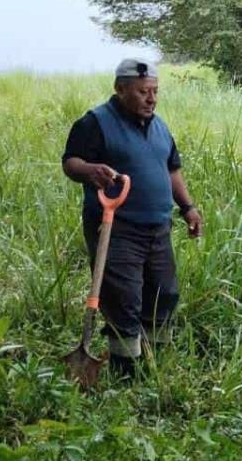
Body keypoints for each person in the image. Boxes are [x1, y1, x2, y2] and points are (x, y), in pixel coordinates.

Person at [61, 58, 203, 373]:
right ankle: (126, 371)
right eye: (142, 92)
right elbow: (70, 162)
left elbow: (172, 170)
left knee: (164, 293)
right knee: (123, 298)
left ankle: (157, 362)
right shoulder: (95, 123)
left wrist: (188, 207)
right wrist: (89, 170)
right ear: (120, 89)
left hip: (158, 228)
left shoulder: (160, 126)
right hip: (117, 228)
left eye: (154, 91)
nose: (151, 99)